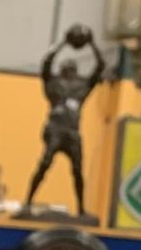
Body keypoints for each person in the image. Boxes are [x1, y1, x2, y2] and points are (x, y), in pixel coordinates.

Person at [25, 25, 105, 218]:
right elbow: (46, 64)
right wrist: (62, 43)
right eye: (66, 68)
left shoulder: (81, 87)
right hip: (56, 129)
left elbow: (100, 67)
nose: (68, 71)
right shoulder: (54, 85)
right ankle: (27, 202)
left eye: (71, 69)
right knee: (44, 164)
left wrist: (92, 44)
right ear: (61, 71)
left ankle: (81, 209)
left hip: (72, 132)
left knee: (78, 171)